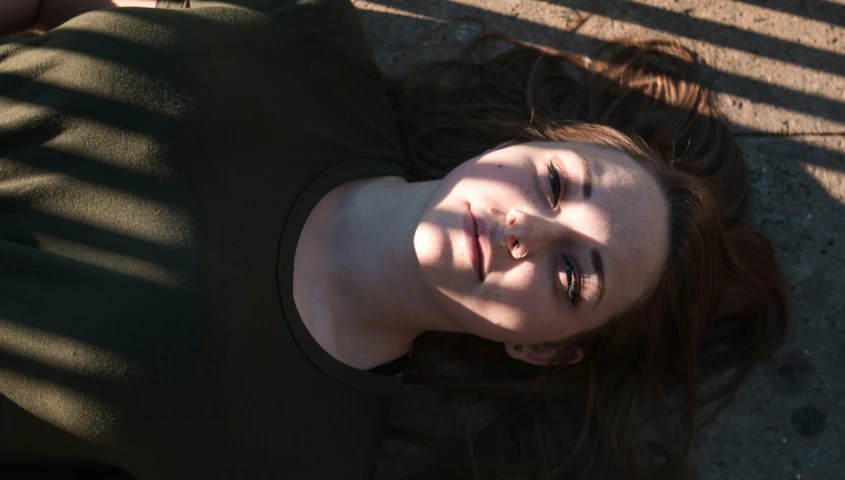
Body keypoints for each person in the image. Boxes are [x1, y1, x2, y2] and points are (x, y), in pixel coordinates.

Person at [0, 1, 789, 479]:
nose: (527, 231)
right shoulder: (307, 37)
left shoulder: (299, 461)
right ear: (520, 143)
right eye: (553, 184)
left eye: (573, 275)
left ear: (545, 350)